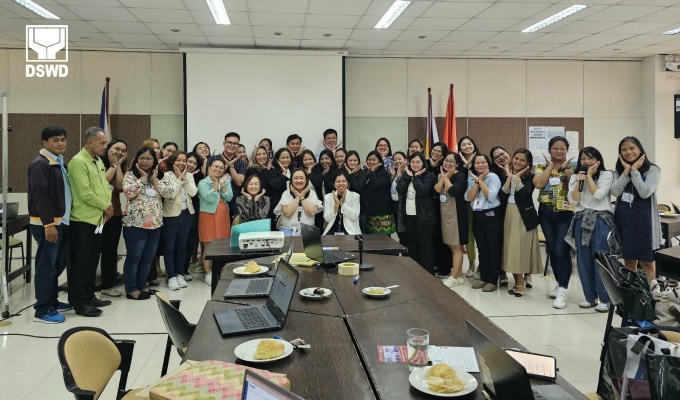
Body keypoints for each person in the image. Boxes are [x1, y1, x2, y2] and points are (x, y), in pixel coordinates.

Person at [28, 126, 72, 323]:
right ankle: (42, 308)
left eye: (63, 139)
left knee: (56, 264)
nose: (60, 143)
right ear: (44, 142)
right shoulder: (40, 164)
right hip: (47, 224)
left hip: (60, 222)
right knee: (46, 265)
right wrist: (48, 224)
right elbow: (40, 197)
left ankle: (52, 301)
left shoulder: (58, 161)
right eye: (55, 140)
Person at [67, 127, 113, 317]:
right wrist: (105, 206)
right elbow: (85, 193)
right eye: (102, 143)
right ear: (89, 141)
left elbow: (104, 186)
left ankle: (89, 296)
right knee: (81, 262)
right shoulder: (78, 162)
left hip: (98, 219)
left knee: (93, 260)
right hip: (83, 220)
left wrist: (106, 206)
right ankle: (79, 302)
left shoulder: (97, 161)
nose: (105, 146)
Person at [566, 146, 616, 312]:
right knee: (583, 260)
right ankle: (590, 297)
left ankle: (606, 299)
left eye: (590, 158)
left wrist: (588, 177)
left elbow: (598, 195)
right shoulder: (575, 177)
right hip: (581, 220)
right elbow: (573, 201)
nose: (586, 162)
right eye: (583, 159)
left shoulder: (606, 175)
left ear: (598, 161)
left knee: (601, 259)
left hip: (600, 220)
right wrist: (579, 181)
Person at [122, 147, 171, 300]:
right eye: (141, 158)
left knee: (148, 257)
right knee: (134, 256)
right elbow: (129, 192)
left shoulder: (159, 176)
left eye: (148, 158)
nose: (144, 161)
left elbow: (168, 193)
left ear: (154, 161)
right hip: (135, 224)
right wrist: (142, 179)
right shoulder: (130, 175)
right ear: (136, 160)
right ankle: (131, 289)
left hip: (155, 224)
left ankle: (142, 284)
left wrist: (155, 179)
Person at [533, 136, 575, 309]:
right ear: (549, 149)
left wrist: (566, 171)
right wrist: (550, 167)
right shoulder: (542, 166)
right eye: (555, 148)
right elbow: (538, 184)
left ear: (567, 150)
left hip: (566, 213)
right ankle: (559, 283)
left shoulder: (574, 165)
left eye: (562, 148)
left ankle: (563, 290)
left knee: (561, 249)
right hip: (546, 212)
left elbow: (577, 185)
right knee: (552, 249)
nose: (559, 151)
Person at [611, 136, 662, 281]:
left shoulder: (653, 170)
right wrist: (626, 172)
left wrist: (634, 171)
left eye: (632, 148)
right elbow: (615, 192)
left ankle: (653, 297)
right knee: (629, 260)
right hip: (624, 220)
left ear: (640, 149)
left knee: (647, 261)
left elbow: (645, 192)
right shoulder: (619, 172)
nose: (628, 152)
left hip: (644, 221)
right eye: (624, 149)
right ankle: (634, 296)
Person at [498, 149, 541, 297]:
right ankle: (517, 282)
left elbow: (524, 195)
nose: (518, 162)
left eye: (522, 160)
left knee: (519, 250)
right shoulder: (507, 175)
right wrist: (510, 179)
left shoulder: (531, 178)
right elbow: (501, 196)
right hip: (508, 215)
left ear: (528, 163)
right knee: (512, 249)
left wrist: (517, 179)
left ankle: (520, 284)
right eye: (516, 158)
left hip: (523, 217)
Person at [465, 154, 503, 292]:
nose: (480, 165)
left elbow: (490, 196)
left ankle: (493, 280)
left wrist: (480, 181)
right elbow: (469, 197)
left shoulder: (493, 177)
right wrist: (476, 182)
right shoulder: (471, 177)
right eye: (477, 163)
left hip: (492, 214)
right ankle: (484, 277)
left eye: (483, 163)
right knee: (482, 248)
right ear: (473, 165)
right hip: (477, 214)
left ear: (488, 164)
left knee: (493, 249)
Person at [161, 151, 198, 291]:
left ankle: (180, 273)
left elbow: (193, 192)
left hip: (187, 213)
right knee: (170, 246)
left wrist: (185, 179)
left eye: (184, 160)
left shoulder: (189, 175)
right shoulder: (166, 175)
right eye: (179, 160)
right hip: (171, 214)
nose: (182, 163)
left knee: (182, 246)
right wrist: (178, 180)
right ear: (172, 161)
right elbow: (168, 194)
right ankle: (171, 276)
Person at [397, 152, 436, 274]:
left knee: (425, 248)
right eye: (412, 162)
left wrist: (416, 177)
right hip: (409, 217)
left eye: (418, 162)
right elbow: (399, 189)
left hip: (424, 218)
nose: (415, 164)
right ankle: (415, 274)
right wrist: (408, 176)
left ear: (423, 163)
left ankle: (428, 274)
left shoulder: (428, 176)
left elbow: (422, 190)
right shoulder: (406, 175)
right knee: (412, 247)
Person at [434, 152, 469, 289]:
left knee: (456, 246)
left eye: (451, 162)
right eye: (446, 161)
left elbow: (453, 191)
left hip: (456, 215)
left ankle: (454, 277)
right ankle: (459, 275)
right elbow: (437, 190)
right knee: (451, 245)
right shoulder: (440, 174)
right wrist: (443, 177)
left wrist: (447, 178)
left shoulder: (460, 176)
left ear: (457, 164)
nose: (448, 163)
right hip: (445, 214)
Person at [198, 156, 233, 286]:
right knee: (208, 246)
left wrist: (223, 185)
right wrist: (215, 184)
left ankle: (220, 271)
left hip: (223, 216)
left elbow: (229, 197)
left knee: (222, 245)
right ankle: (208, 273)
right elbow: (211, 199)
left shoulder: (226, 181)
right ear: (209, 168)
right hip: (208, 217)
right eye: (216, 166)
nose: (218, 169)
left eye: (221, 167)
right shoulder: (203, 183)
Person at [100, 139, 127, 297]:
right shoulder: (98, 163)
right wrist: (113, 165)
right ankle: (88, 285)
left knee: (110, 251)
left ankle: (107, 285)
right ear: (108, 148)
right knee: (94, 251)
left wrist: (117, 165)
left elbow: (119, 186)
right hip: (97, 216)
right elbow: (102, 181)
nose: (120, 152)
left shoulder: (120, 167)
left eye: (123, 150)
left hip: (114, 215)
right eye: (117, 149)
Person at [274, 168, 322, 235]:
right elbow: (288, 214)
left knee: (313, 245)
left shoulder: (312, 193)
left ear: (306, 180)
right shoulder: (286, 193)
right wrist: (297, 197)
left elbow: (312, 213)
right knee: (287, 244)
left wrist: (302, 197)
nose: (299, 181)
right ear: (291, 181)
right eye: (296, 178)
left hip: (308, 228)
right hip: (288, 228)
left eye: (302, 178)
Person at [458, 135, 480, 279]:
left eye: (469, 143)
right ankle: (472, 263)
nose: (467, 146)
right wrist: (466, 165)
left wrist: (471, 164)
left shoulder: (481, 160)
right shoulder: (459, 164)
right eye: (464, 144)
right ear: (460, 149)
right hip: (466, 203)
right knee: (470, 234)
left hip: (482, 202)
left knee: (482, 234)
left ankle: (482, 264)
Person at [357, 151, 395, 235]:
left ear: (380, 162)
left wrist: (372, 172)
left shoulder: (384, 173)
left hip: (382, 211)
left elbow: (377, 184)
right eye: (369, 159)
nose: (371, 162)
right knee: (370, 240)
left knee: (384, 241)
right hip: (368, 211)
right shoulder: (363, 173)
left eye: (374, 159)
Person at [489, 145, 511, 287]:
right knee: (501, 241)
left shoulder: (518, 165)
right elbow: (502, 195)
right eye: (497, 157)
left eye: (502, 153)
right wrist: (506, 175)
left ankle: (525, 274)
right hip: (502, 211)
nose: (501, 157)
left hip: (520, 210)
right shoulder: (494, 173)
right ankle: (502, 272)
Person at [184, 152, 205, 278]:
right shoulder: (174, 175)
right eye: (189, 161)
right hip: (178, 212)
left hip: (194, 212)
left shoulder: (199, 177)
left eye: (194, 163)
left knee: (190, 242)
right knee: (180, 243)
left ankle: (184, 269)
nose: (191, 165)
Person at [220, 132, 247, 218]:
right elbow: (212, 180)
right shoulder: (214, 159)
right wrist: (226, 165)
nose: (232, 145)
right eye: (229, 142)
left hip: (235, 203)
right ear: (224, 144)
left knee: (235, 229)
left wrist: (231, 166)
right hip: (217, 201)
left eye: (235, 143)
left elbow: (239, 182)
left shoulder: (241, 163)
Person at [309, 149, 337, 229]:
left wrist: (325, 175)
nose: (324, 161)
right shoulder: (317, 171)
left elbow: (333, 187)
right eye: (322, 159)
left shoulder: (336, 171)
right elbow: (317, 184)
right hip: (319, 205)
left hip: (332, 204)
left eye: (327, 158)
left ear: (332, 159)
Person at [268, 148, 293, 228]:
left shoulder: (294, 170)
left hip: (293, 205)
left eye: (287, 157)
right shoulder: (273, 172)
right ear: (278, 160)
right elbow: (276, 186)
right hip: (278, 206)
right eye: (283, 157)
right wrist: (283, 174)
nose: (285, 160)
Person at [390, 151, 408, 245]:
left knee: (405, 235)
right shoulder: (396, 172)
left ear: (405, 160)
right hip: (395, 206)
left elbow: (401, 189)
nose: (397, 161)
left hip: (403, 207)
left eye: (399, 159)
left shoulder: (407, 173)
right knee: (400, 234)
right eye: (395, 159)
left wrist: (399, 175)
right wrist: (392, 176)